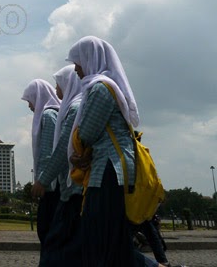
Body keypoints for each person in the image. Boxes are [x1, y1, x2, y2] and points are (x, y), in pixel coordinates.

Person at [67, 35, 167, 267]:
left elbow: (88, 132)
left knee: (100, 234)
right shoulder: (105, 86)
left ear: (89, 59)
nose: (76, 69)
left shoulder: (100, 89)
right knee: (111, 238)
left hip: (109, 169)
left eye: (77, 62)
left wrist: (77, 152)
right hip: (110, 166)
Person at [31, 65, 83, 266]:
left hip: (73, 187)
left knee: (55, 241)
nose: (56, 90)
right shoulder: (68, 109)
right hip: (70, 186)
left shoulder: (69, 109)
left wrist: (43, 180)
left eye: (58, 84)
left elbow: (60, 148)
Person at [21, 79, 60, 256]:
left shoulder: (48, 115)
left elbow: (48, 152)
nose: (29, 105)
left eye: (30, 100)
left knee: (47, 229)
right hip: (52, 182)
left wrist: (42, 181)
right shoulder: (51, 114)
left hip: (52, 185)